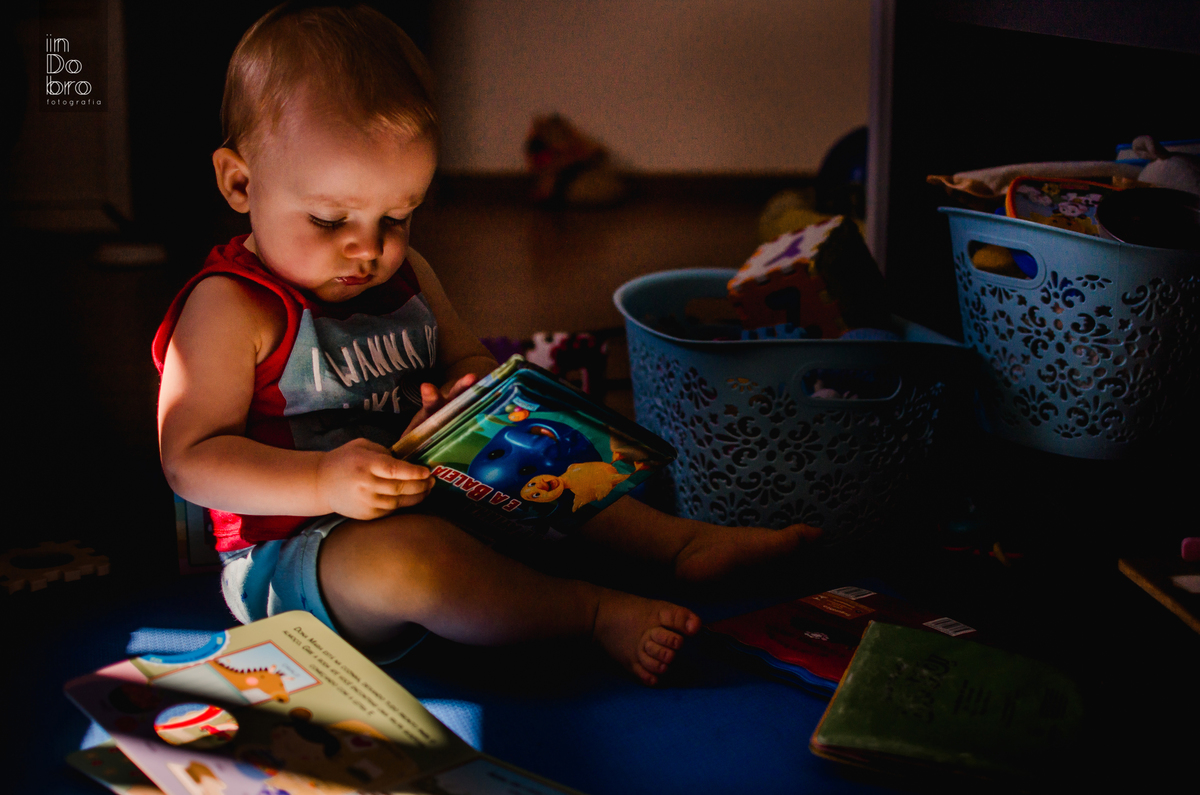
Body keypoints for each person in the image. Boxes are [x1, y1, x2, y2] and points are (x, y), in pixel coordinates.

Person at [155, 2, 819, 686]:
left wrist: (467, 399)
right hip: (300, 554)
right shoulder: (231, 305)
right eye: (330, 219)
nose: (370, 248)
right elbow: (190, 459)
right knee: (416, 561)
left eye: (398, 216)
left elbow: (468, 360)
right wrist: (323, 480)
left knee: (545, 457)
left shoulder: (409, 275)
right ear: (239, 182)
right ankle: (587, 610)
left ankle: (679, 543)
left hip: (430, 487)